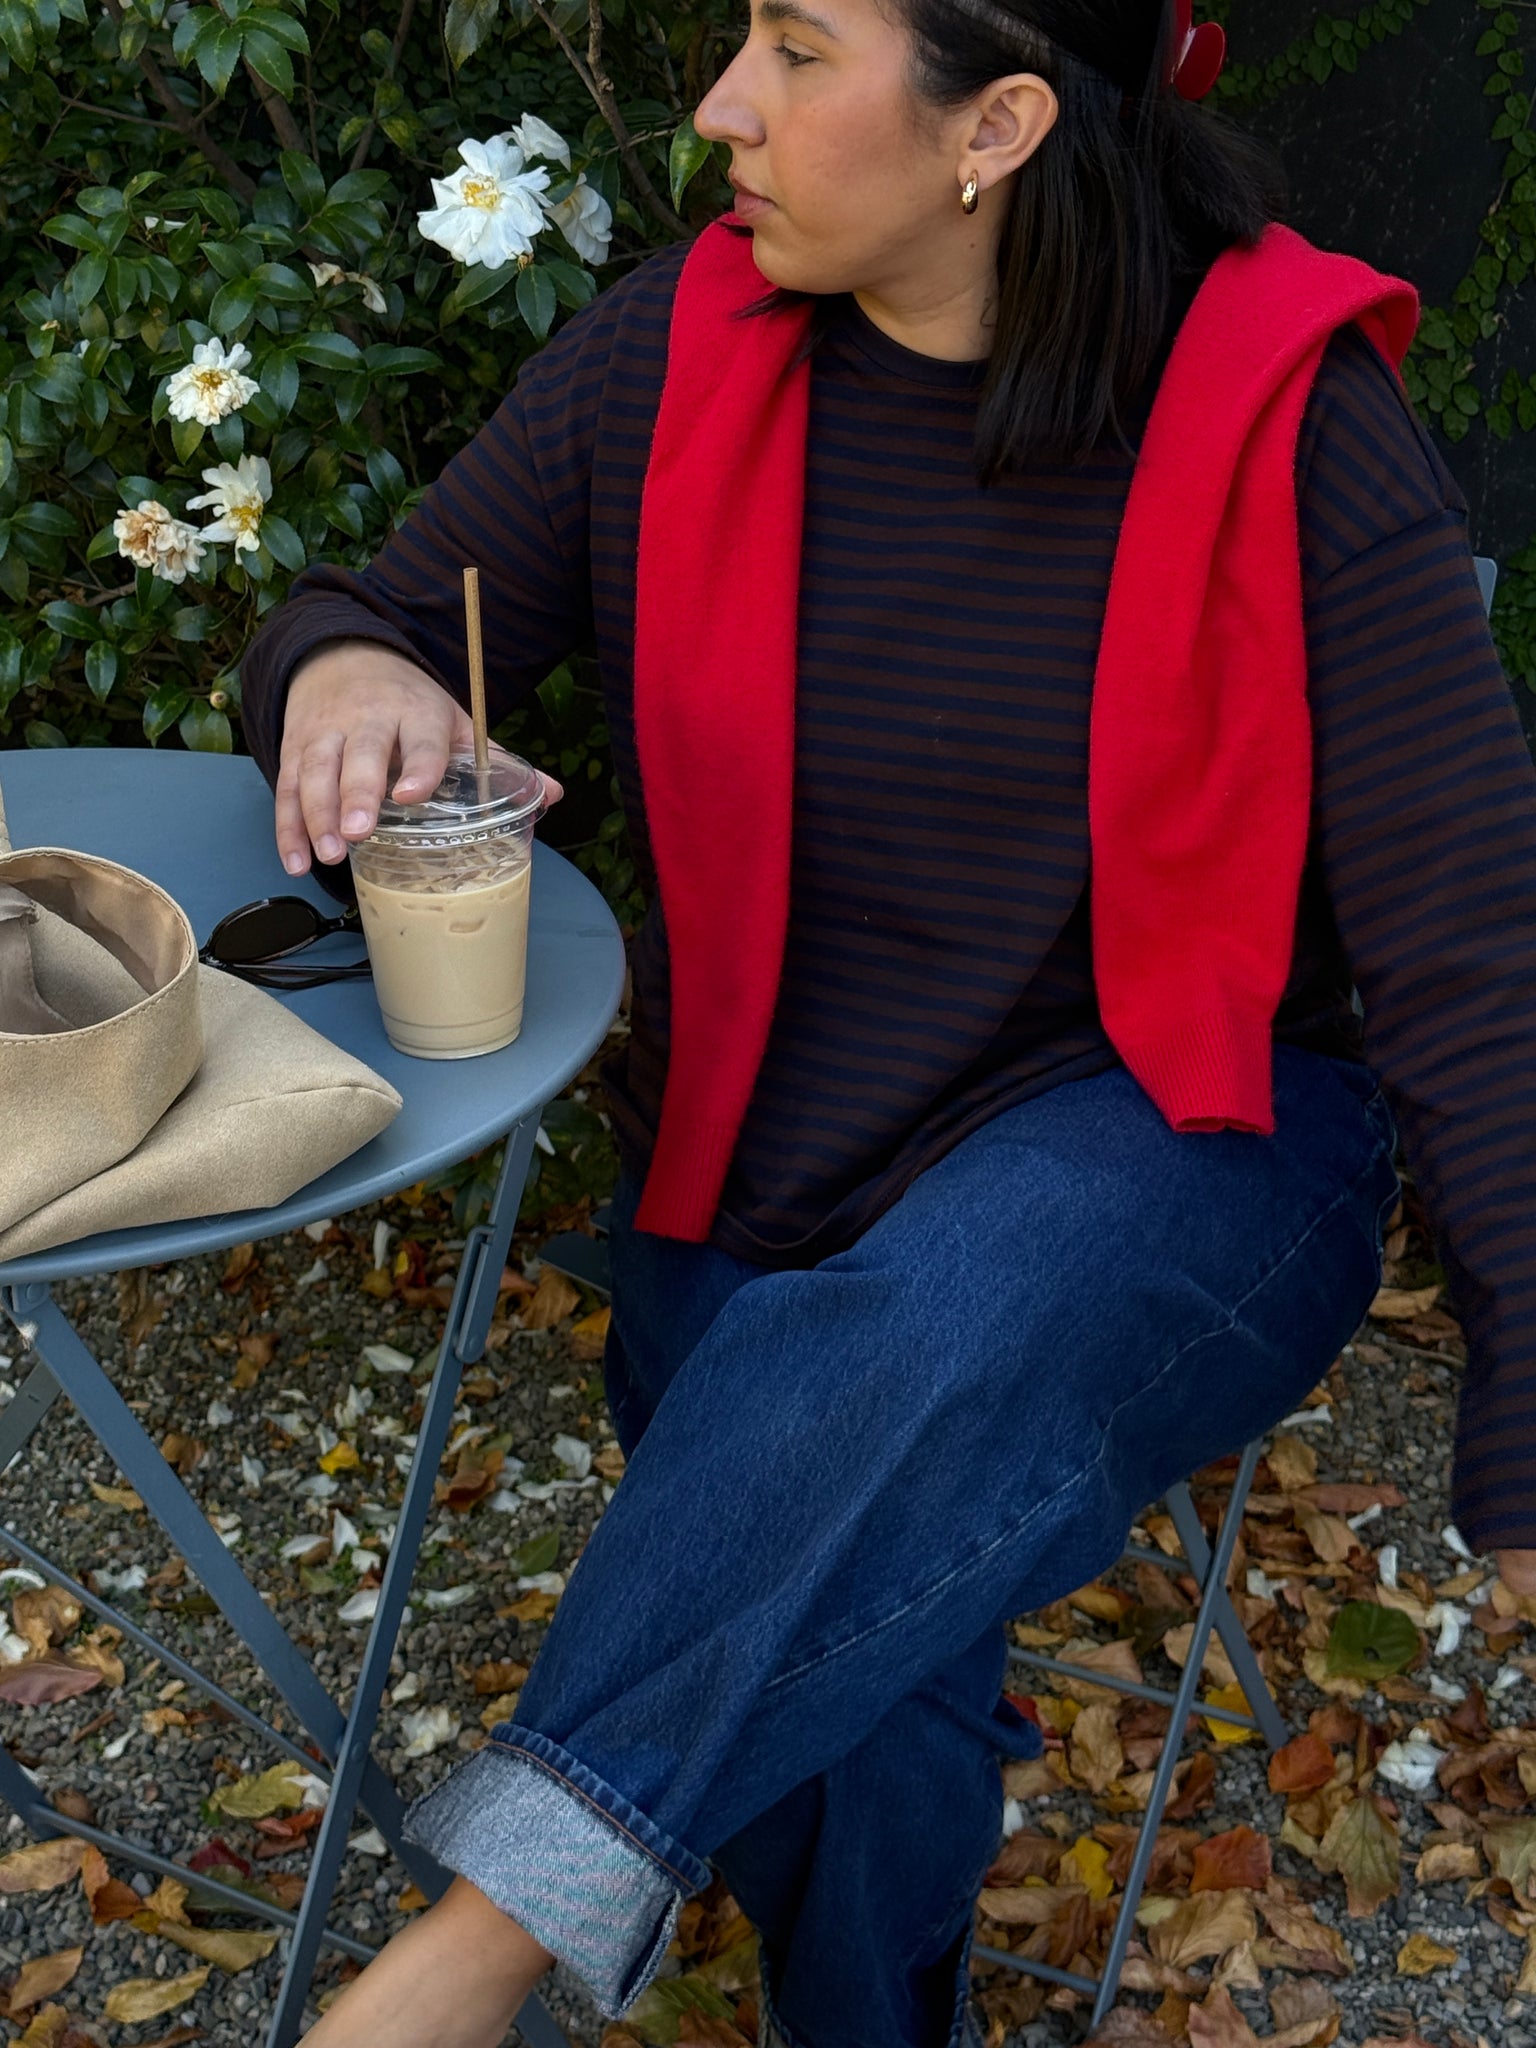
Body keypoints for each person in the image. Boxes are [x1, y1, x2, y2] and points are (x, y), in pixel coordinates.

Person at [238, 0, 1536, 2041]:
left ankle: (465, 1962)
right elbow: (384, 614)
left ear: (994, 125)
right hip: (773, 1157)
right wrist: (342, 675)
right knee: (856, 1585)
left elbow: (1474, 945)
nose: (720, 107)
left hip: (1181, 1136)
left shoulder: (1289, 412)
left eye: (797, 49)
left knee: (914, 1349)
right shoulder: (678, 351)